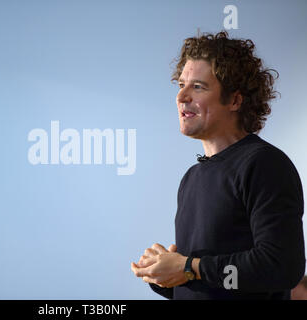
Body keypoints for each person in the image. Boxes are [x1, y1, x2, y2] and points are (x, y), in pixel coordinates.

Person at [131, 31, 305, 299]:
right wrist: (166, 275)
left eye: (198, 87)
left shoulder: (264, 164)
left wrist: (189, 267)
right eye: (180, 85)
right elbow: (214, 283)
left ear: (235, 100)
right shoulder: (192, 177)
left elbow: (281, 267)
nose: (182, 97)